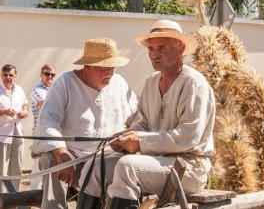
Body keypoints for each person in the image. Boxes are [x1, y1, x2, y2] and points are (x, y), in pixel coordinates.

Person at [79, 20, 216, 209]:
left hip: (189, 167)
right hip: (155, 161)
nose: (154, 54)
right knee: (94, 167)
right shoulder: (151, 82)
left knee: (127, 167)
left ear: (180, 49)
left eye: (161, 48)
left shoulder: (194, 83)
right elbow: (143, 123)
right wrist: (123, 136)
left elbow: (188, 137)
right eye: (151, 49)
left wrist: (140, 141)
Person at [31, 38, 138, 209]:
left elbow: (138, 113)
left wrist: (130, 136)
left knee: (130, 162)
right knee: (50, 158)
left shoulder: (119, 83)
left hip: (107, 157)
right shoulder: (65, 83)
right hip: (72, 158)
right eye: (104, 68)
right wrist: (62, 153)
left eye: (112, 67)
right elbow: (48, 121)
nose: (110, 72)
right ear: (87, 67)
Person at [0, 64, 29, 192]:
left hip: (18, 132)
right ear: (1, 76)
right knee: (2, 169)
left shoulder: (20, 90)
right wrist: (3, 111)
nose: (8, 78)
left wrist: (25, 112)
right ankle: (1, 199)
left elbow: (25, 107)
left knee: (16, 167)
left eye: (11, 75)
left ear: (15, 76)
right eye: (5, 75)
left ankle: (14, 198)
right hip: (2, 134)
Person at [30, 64, 56, 190]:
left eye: (52, 74)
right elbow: (46, 106)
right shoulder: (38, 89)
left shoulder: (54, 90)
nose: (50, 76)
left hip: (53, 131)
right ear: (41, 75)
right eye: (47, 74)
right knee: (38, 163)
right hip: (40, 132)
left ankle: (45, 193)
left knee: (50, 162)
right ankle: (34, 194)